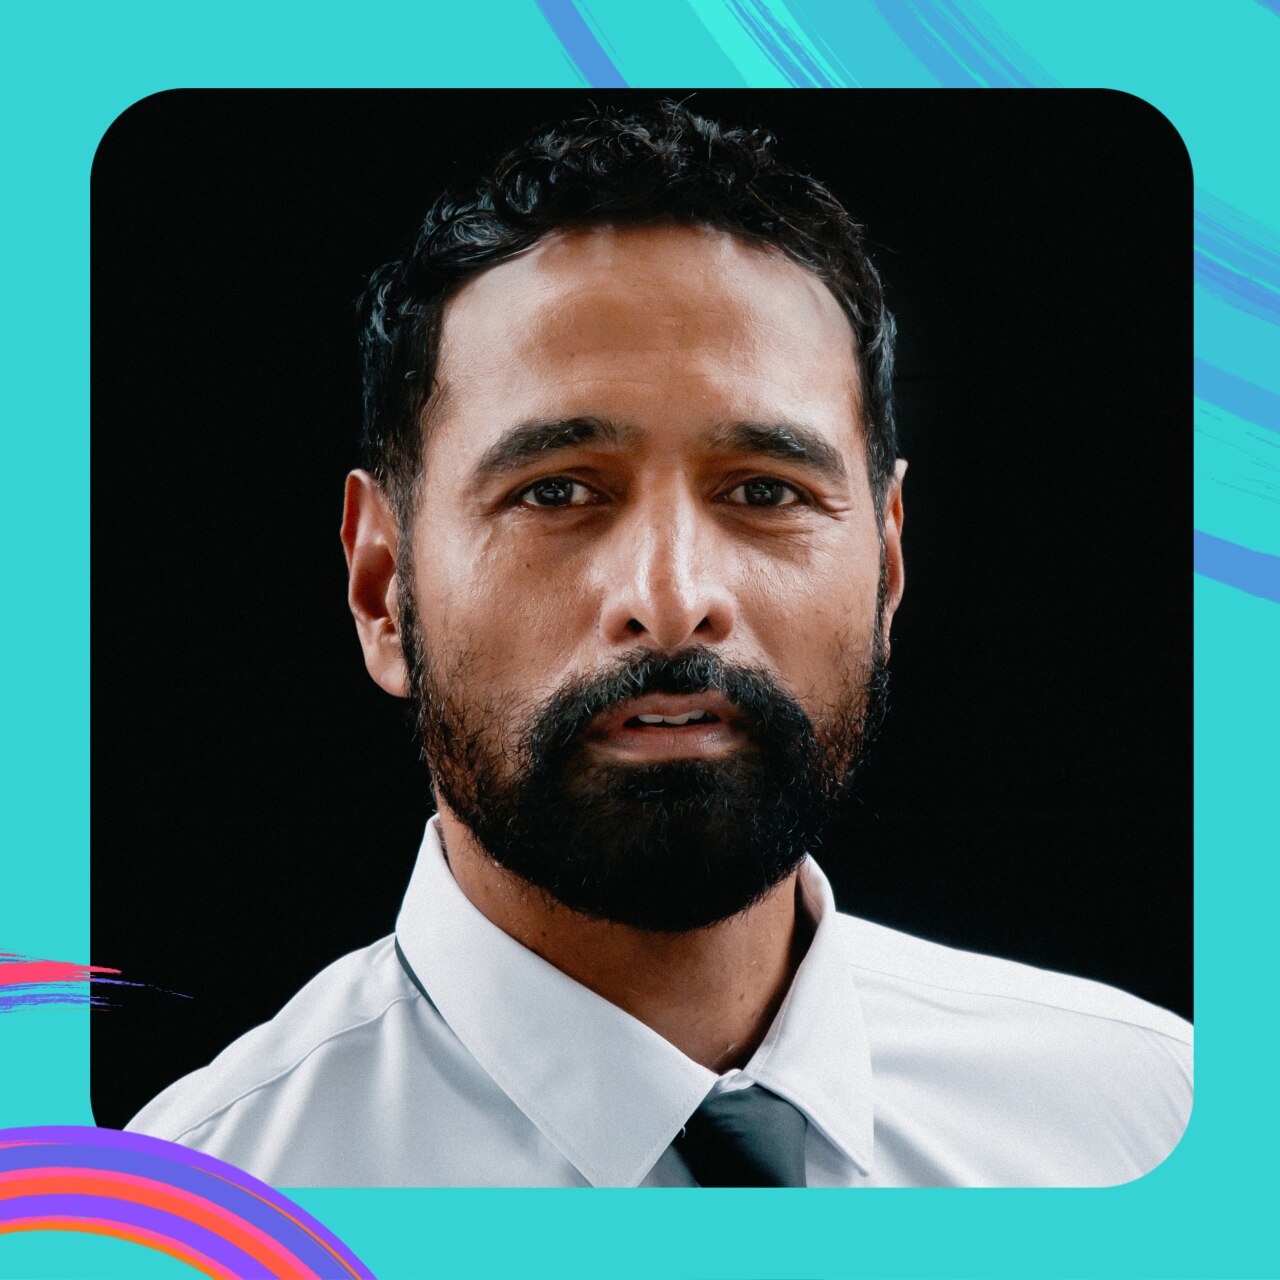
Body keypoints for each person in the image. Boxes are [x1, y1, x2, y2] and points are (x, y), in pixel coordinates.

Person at [126, 100, 1192, 1187]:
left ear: (887, 569)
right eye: (556, 491)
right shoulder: (188, 1210)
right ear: (382, 589)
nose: (672, 600)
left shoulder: (1149, 1128)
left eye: (765, 490)